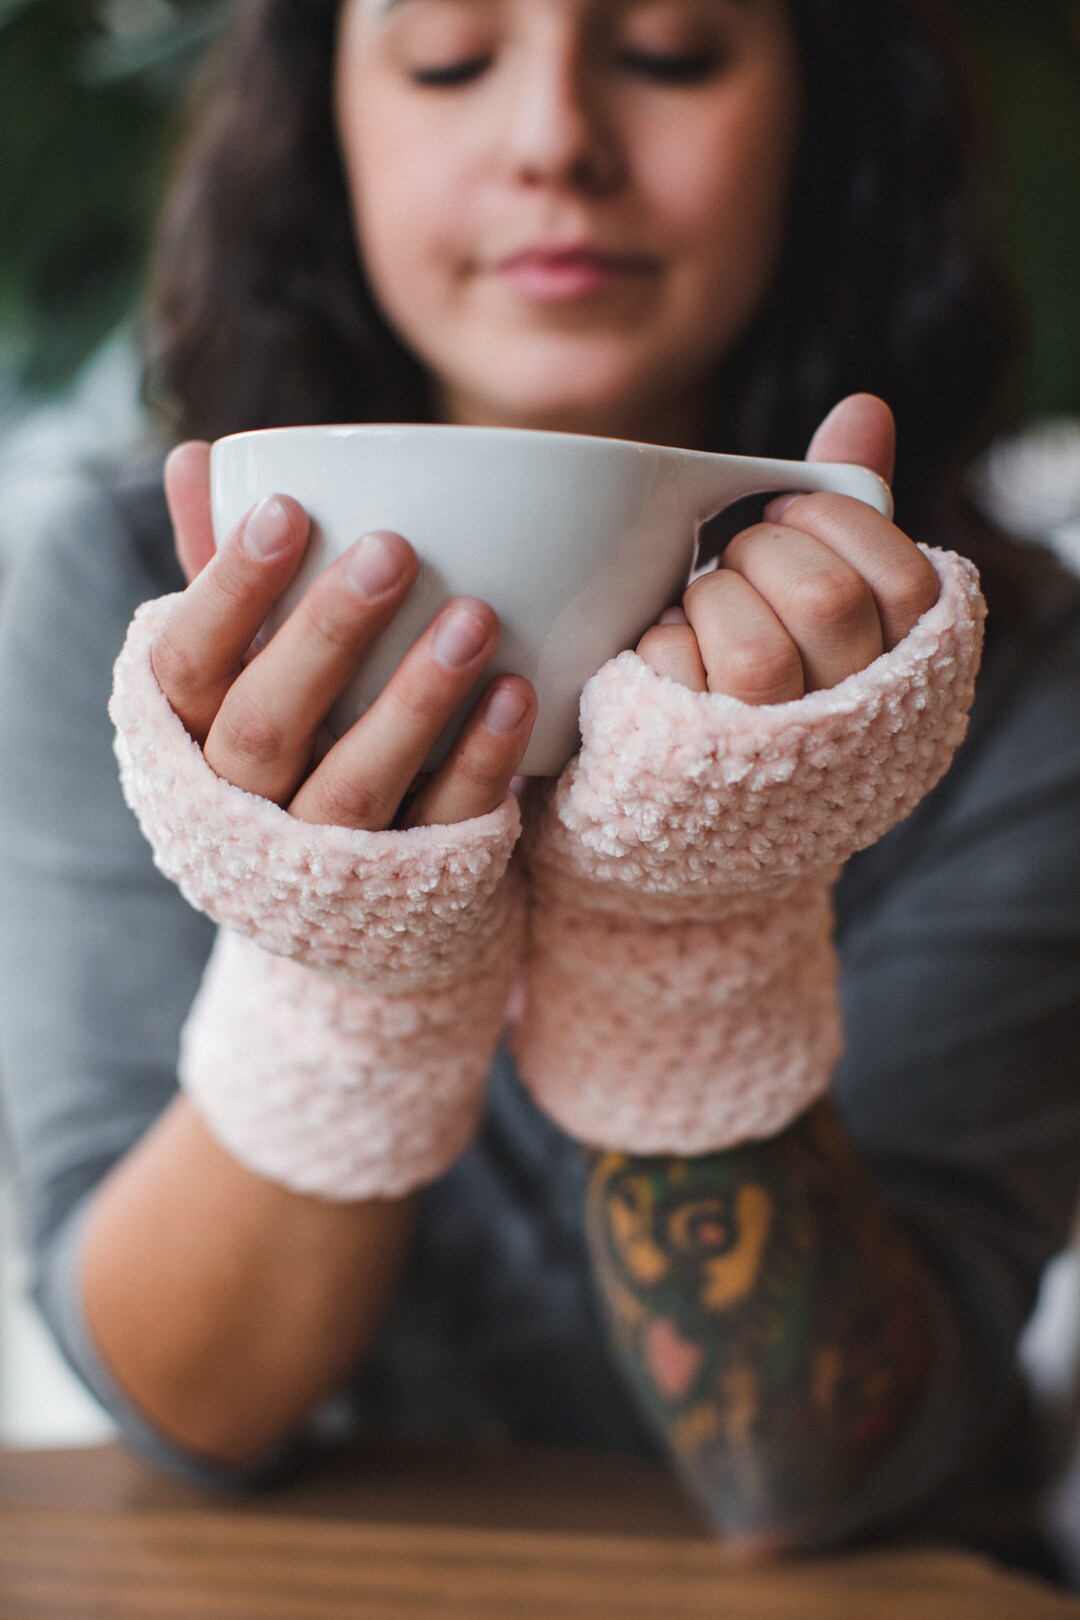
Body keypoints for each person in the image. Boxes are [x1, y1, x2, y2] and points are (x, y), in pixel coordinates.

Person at [2, 0, 1080, 1576]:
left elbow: (816, 1481)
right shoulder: (130, 606)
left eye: (669, 52)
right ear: (332, 123)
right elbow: (188, 1406)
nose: (554, 140)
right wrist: (344, 968)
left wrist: (690, 925)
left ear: (822, 113)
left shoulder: (996, 662)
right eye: (446, 56)